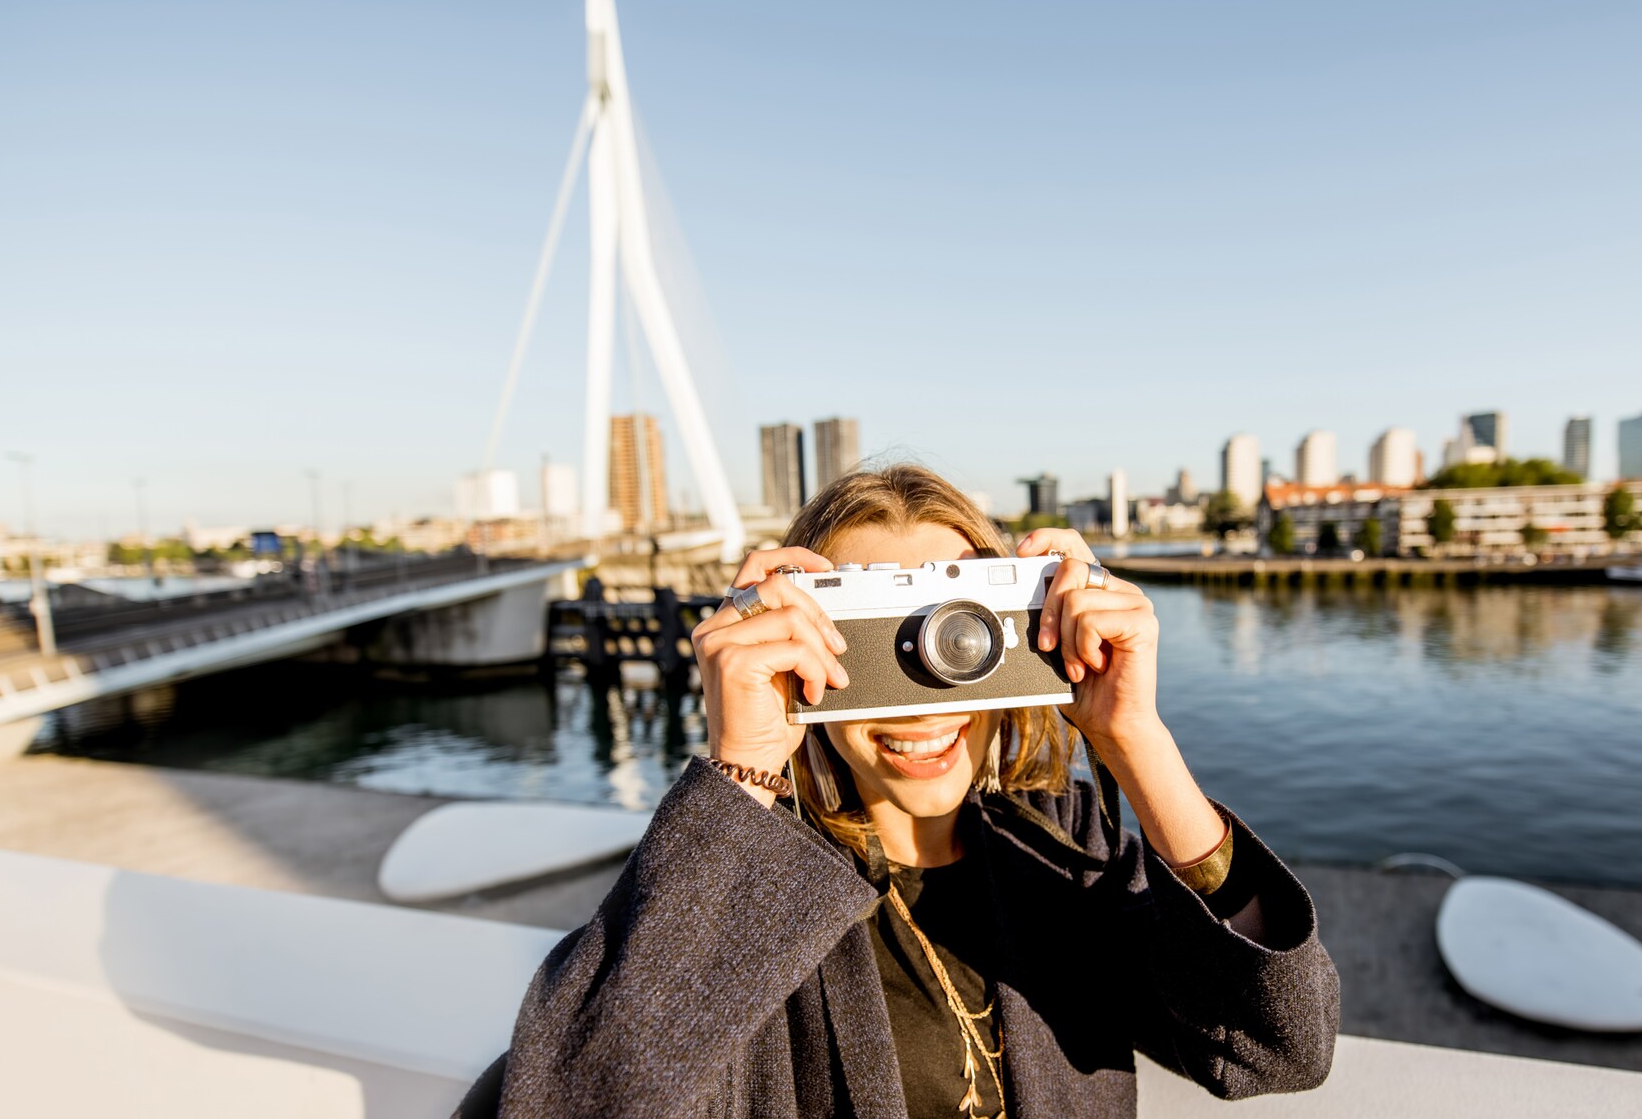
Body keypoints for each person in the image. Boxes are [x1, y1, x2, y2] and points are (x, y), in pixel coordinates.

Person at [456, 464, 1338, 1119]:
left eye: (964, 632)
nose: (931, 684)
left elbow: (1280, 1047)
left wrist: (1136, 741)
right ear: (804, 653)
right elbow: (570, 1100)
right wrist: (742, 769)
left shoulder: (1063, 850)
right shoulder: (744, 904)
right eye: (881, 641)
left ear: (1023, 630)